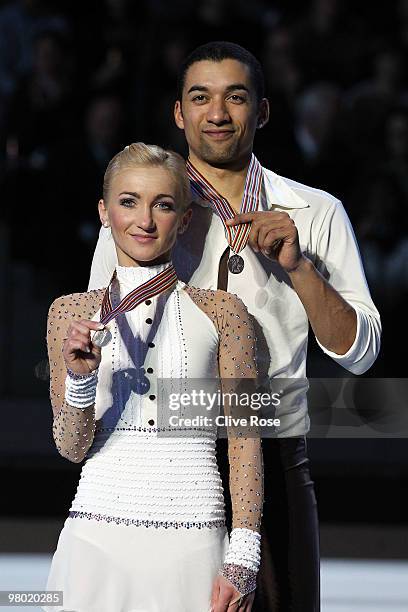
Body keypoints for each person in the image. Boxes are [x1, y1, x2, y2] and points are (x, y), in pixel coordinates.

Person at [88, 42, 382, 611]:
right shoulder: (140, 216)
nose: (217, 113)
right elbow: (104, 347)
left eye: (235, 97)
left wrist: (298, 268)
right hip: (162, 458)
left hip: (270, 453)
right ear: (179, 112)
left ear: (263, 111)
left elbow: (361, 353)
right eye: (200, 97)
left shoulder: (315, 212)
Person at [44, 142, 264, 612]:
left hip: (193, 542)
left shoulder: (224, 313)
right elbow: (70, 447)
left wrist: (243, 558)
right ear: (104, 212)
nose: (144, 220)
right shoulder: (71, 313)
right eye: (128, 202)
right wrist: (81, 380)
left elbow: (246, 437)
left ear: (183, 219)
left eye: (162, 204)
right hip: (94, 539)